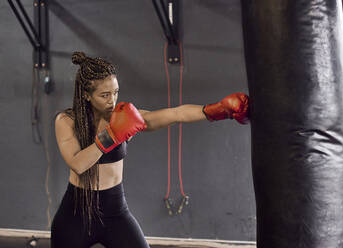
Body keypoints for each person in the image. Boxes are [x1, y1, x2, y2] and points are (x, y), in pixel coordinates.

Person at [51, 51, 250, 248]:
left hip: (115, 212)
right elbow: (78, 164)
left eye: (115, 92)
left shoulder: (122, 116)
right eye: (104, 95)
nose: (112, 100)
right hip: (76, 215)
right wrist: (112, 135)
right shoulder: (67, 121)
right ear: (86, 95)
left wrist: (217, 110)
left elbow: (175, 114)